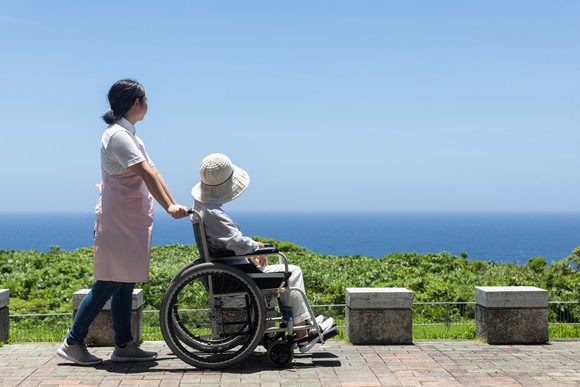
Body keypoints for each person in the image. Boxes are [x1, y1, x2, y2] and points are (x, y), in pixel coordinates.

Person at [57, 79, 189, 366]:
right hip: (118, 219)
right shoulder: (117, 135)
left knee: (126, 280)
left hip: (128, 218)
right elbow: (144, 172)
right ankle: (73, 342)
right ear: (136, 103)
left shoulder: (130, 135)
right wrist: (169, 206)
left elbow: (154, 171)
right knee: (108, 281)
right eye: (146, 99)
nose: (148, 105)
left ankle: (124, 344)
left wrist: (172, 202)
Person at [191, 153, 336, 353]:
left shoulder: (201, 207)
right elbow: (236, 241)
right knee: (292, 271)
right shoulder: (214, 213)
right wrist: (257, 248)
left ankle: (301, 324)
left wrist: (253, 246)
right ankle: (302, 332)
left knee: (286, 274)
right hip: (237, 274)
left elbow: (232, 240)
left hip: (228, 269)